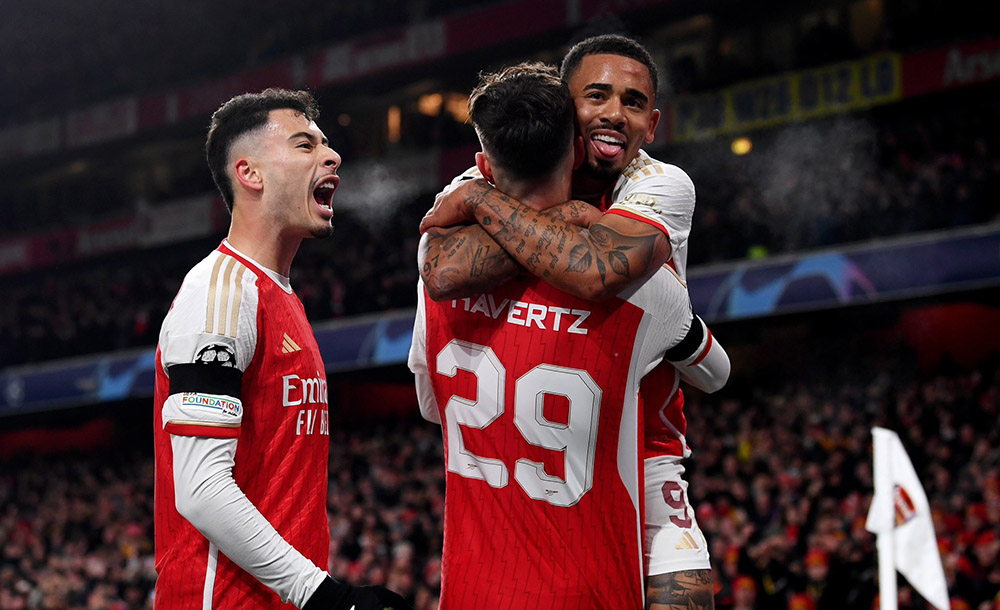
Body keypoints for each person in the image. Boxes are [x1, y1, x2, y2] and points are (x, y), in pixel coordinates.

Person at [418, 34, 723, 609]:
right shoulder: (490, 173)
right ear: (564, 106)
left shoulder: (660, 184)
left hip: (650, 457)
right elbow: (443, 270)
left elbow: (594, 272)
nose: (615, 114)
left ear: (652, 125)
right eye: (597, 96)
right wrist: (567, 216)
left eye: (634, 103)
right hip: (549, 468)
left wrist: (488, 204)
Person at [153, 88, 409, 610]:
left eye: (326, 144)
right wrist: (323, 595)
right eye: (305, 145)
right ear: (250, 173)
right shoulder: (222, 291)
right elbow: (199, 488)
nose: (332, 156)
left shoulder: (280, 295)